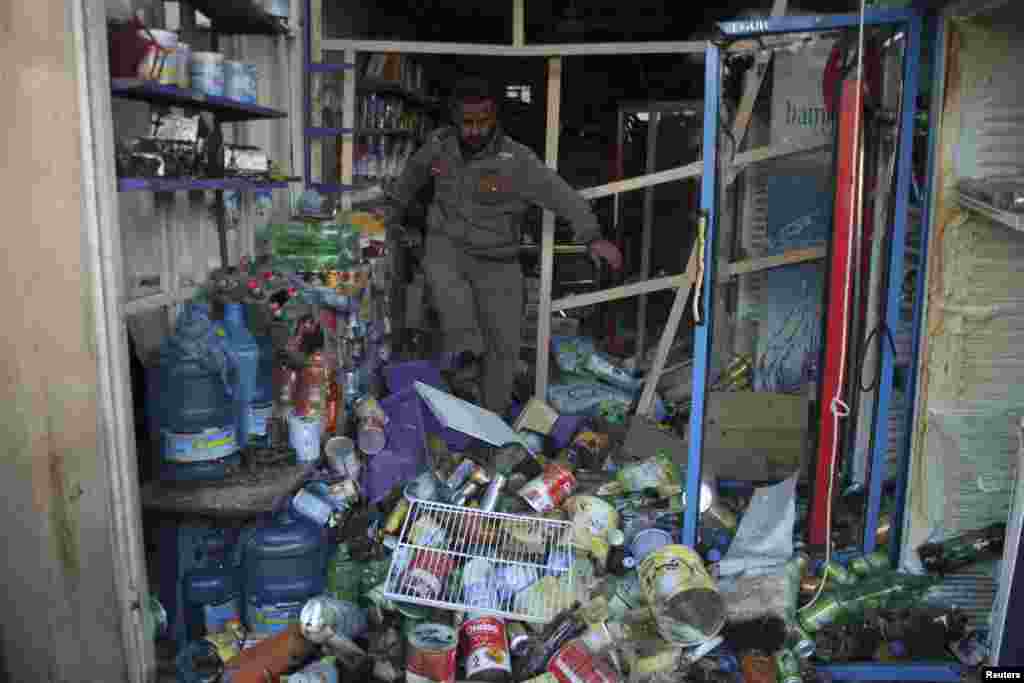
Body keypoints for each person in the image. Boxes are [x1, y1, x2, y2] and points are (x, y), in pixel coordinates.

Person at [378, 75, 623, 415]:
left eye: (483, 122)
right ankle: (464, 360)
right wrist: (391, 214)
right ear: (455, 119)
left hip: (498, 260)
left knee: (504, 348)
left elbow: (561, 194)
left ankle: (491, 424)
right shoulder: (438, 146)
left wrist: (592, 237)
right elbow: (410, 178)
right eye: (467, 123)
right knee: (447, 290)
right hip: (447, 250)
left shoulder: (516, 160)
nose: (475, 130)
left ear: (494, 119)